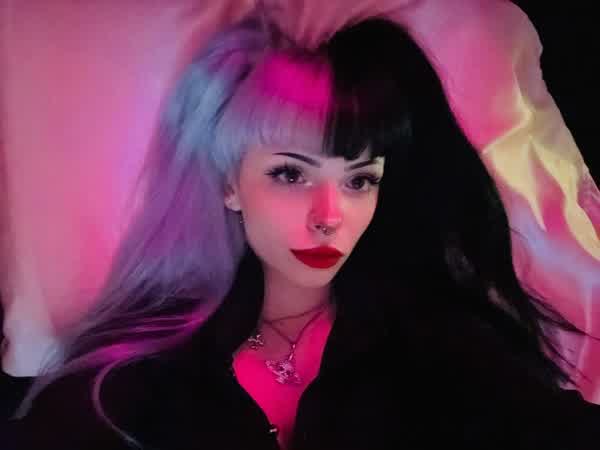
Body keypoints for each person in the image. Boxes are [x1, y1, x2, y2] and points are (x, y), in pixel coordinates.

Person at [3, 13, 600, 450]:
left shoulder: (437, 341)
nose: (329, 214)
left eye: (359, 181)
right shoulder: (140, 368)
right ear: (230, 184)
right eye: (291, 174)